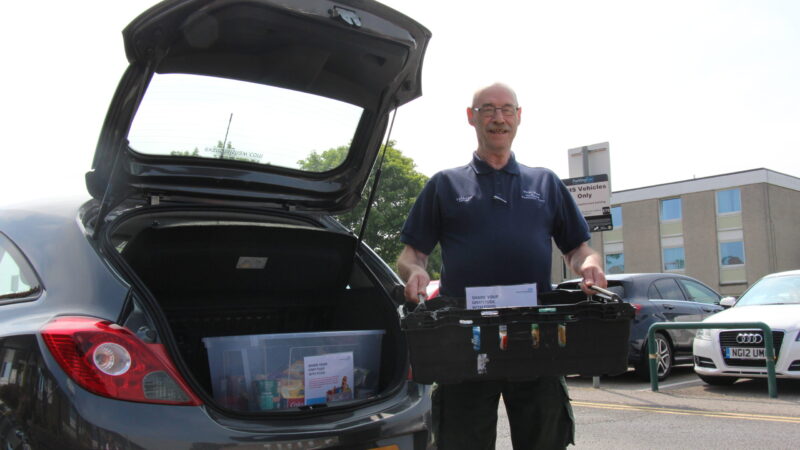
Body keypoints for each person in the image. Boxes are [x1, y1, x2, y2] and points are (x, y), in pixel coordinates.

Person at [396, 82, 607, 449]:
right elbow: (411, 255)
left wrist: (588, 264)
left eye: (507, 109)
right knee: (461, 440)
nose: (498, 118)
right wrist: (414, 272)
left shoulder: (546, 182)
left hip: (536, 334)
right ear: (470, 117)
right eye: (487, 110)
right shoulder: (444, 184)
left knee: (544, 437)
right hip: (464, 336)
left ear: (519, 117)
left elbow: (578, 249)